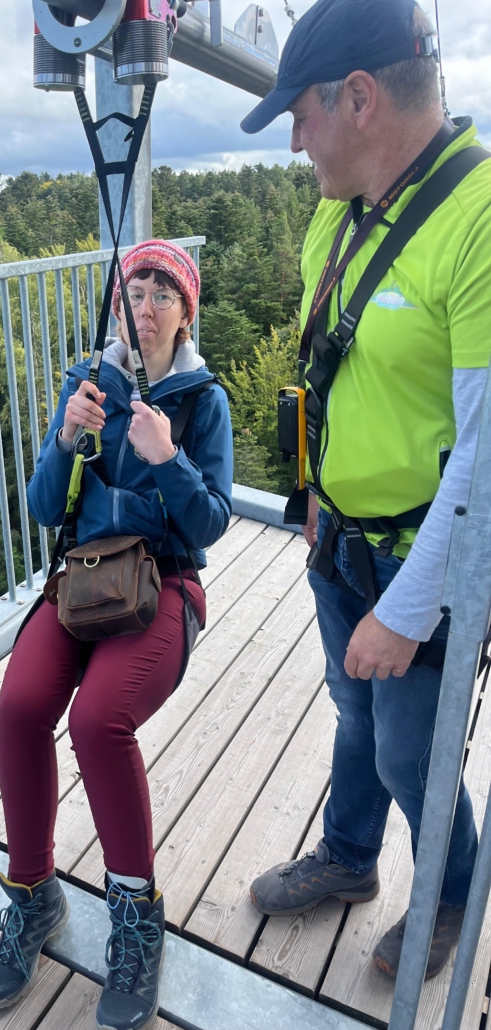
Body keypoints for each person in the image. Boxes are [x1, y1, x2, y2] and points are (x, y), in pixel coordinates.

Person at [242, 0, 491, 981]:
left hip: (416, 557)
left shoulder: (475, 222)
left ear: (356, 98)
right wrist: (306, 488)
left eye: (298, 115)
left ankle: (445, 896)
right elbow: (315, 369)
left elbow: (482, 452)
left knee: (406, 756)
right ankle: (349, 862)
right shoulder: (334, 214)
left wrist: (409, 604)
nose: (294, 140)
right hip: (335, 536)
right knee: (353, 716)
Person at [0, 240, 233, 1028]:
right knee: (19, 708)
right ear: (120, 308)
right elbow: (46, 508)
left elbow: (210, 523)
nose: (145, 306)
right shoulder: (88, 385)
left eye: (162, 293)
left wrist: (165, 460)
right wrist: (63, 440)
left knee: (97, 719)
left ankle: (134, 915)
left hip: (162, 585)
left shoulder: (200, 401)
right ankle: (32, 894)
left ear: (185, 311)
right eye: (135, 292)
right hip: (84, 579)